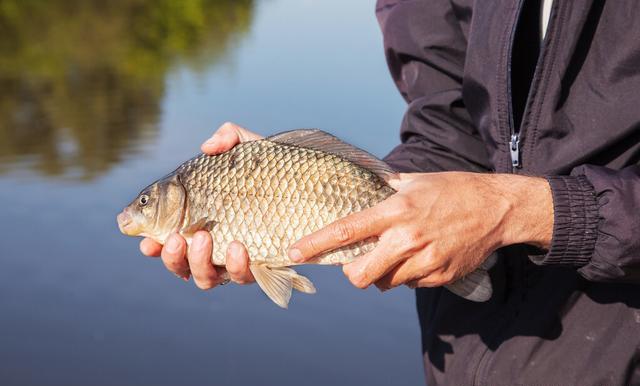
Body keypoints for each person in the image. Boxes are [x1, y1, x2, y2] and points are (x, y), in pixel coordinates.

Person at [139, 0, 640, 384]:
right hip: (464, 355)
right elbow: (448, 124)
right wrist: (296, 188)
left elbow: (510, 199)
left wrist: (532, 212)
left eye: (144, 204)